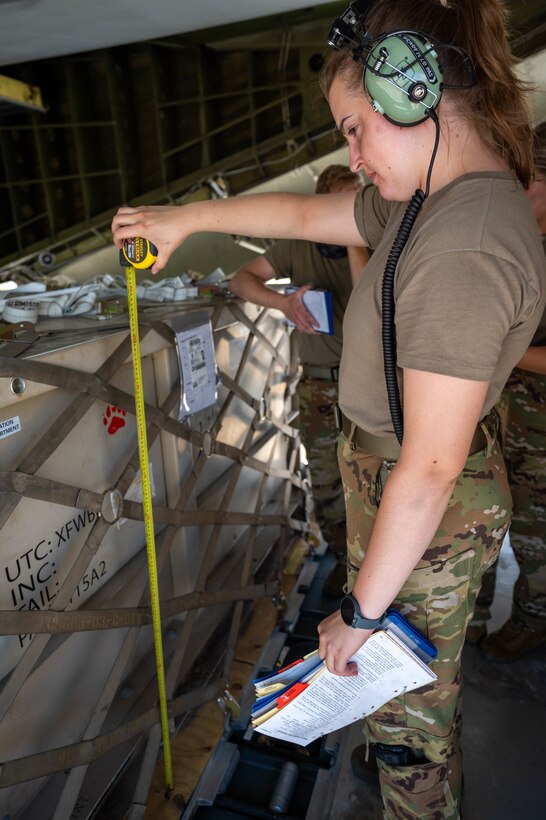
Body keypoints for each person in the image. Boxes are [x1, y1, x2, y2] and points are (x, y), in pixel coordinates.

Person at [111, 2, 545, 816]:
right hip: (400, 491)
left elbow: (431, 463)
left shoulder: (464, 243)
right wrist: (186, 219)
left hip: (421, 506)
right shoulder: (436, 204)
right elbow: (309, 215)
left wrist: (359, 613)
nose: (351, 154)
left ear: (414, 98)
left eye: (353, 129)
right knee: (404, 720)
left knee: (407, 736)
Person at [229, 164, 368, 597]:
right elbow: (240, 279)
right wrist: (282, 303)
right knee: (326, 482)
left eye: (357, 202)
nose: (352, 211)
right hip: (320, 387)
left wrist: (353, 241)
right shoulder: (296, 245)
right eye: (343, 204)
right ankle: (346, 564)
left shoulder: (377, 241)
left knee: (372, 480)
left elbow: (367, 296)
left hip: (370, 385)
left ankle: (372, 574)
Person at [467, 122, 546, 660]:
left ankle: (533, 619)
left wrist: (500, 346)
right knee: (484, 520)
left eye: (528, 181)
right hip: (498, 412)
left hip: (538, 430)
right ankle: (470, 619)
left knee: (537, 532)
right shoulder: (517, 242)